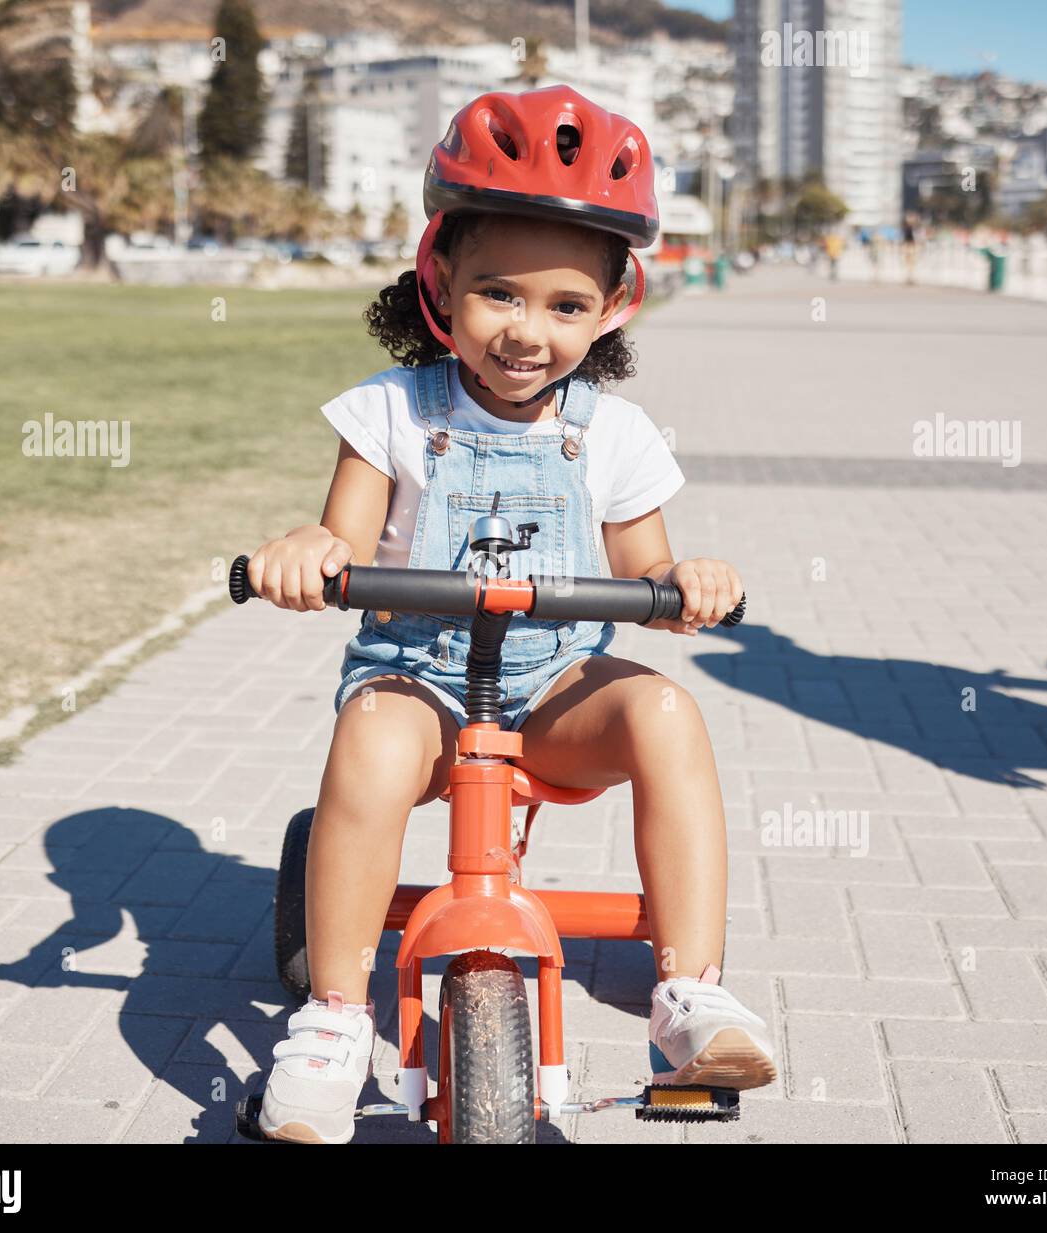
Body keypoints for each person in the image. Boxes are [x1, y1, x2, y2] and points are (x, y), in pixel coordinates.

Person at [244, 85, 777, 1144]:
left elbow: (648, 569)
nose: (528, 332)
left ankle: (690, 990)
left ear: (614, 303)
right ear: (439, 277)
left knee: (666, 713)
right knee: (368, 734)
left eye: (565, 306)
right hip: (420, 679)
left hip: (554, 687)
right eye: (499, 295)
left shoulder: (614, 434)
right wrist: (309, 552)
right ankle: (335, 1016)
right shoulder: (392, 411)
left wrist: (690, 587)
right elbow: (342, 541)